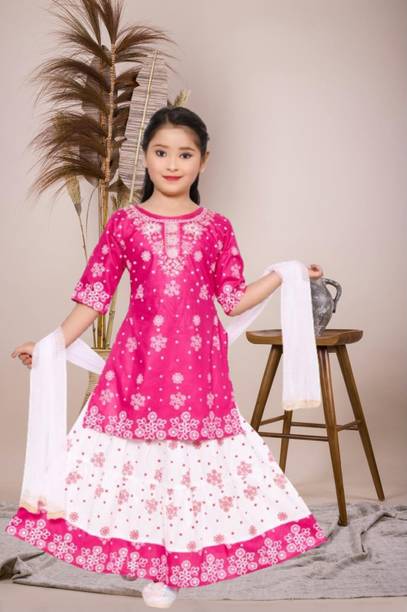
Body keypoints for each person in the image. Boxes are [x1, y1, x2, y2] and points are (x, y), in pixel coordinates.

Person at [8, 106, 327, 608]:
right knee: (142, 461)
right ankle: (152, 563)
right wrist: (50, 344)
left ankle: (176, 565)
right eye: (161, 152)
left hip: (198, 365)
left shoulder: (217, 227)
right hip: (139, 364)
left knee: (187, 462)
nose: (173, 164)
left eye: (185, 154)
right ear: (145, 157)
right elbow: (94, 296)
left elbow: (231, 300)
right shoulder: (124, 224)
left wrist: (284, 274)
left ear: (204, 161)